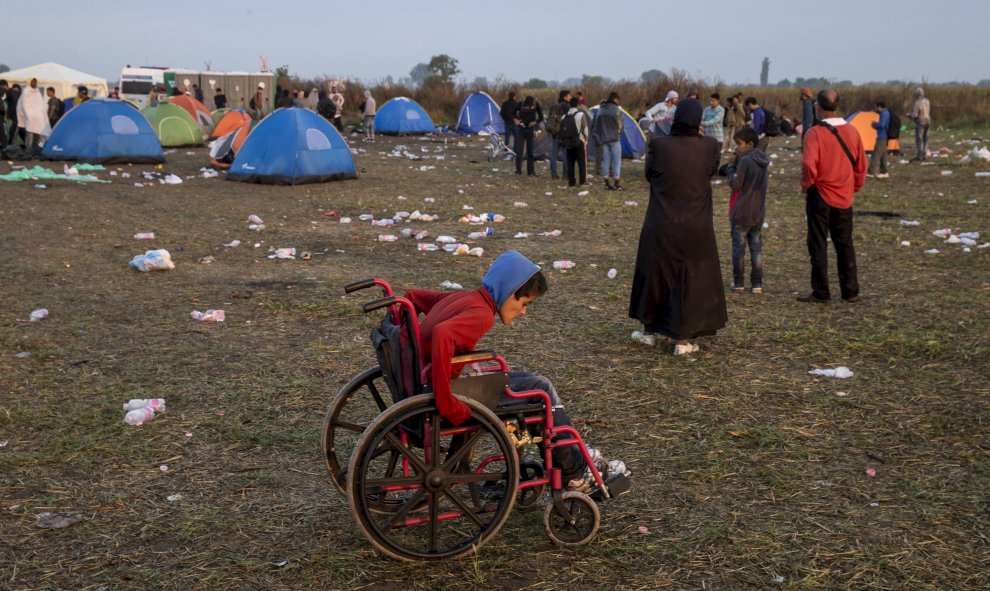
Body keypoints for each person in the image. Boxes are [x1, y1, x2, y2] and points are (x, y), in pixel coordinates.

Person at [404, 250, 624, 492]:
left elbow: (414, 297)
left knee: (534, 382)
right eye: (524, 303)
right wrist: (446, 402)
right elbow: (443, 334)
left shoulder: (466, 298)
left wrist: (400, 332)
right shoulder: (481, 314)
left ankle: (572, 455)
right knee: (540, 390)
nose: (523, 312)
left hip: (430, 381)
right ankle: (573, 471)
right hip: (450, 391)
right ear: (509, 293)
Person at [628, 99, 727, 355]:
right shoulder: (710, 146)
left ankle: (650, 329)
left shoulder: (660, 145)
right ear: (697, 120)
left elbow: (650, 174)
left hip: (662, 221)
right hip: (696, 223)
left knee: (656, 274)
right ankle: (683, 339)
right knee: (691, 278)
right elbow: (710, 173)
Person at [798, 89, 867, 303]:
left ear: (818, 107)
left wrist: (807, 184)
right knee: (844, 243)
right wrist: (853, 187)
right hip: (844, 196)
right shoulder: (853, 132)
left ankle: (821, 292)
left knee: (818, 243)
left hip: (820, 193)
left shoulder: (814, 133)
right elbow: (861, 165)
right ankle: (850, 291)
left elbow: (809, 163)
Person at [725, 127, 770, 294]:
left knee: (739, 250)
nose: (737, 147)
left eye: (739, 144)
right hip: (758, 212)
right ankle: (757, 284)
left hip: (742, 213)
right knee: (756, 249)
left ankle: (739, 283)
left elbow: (736, 184)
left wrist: (730, 167)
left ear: (750, 144)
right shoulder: (763, 161)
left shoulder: (744, 161)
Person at [592, 91, 624, 191]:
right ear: (615, 99)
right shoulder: (617, 110)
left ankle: (606, 182)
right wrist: (618, 133)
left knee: (606, 160)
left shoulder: (601, 110)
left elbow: (596, 125)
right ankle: (616, 183)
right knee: (616, 161)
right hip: (614, 139)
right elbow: (620, 125)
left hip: (604, 139)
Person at [16, 78, 51, 158]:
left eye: (36, 82)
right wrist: (28, 115)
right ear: (30, 82)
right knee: (30, 135)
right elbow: (24, 105)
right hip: (30, 117)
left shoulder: (38, 92)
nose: (35, 83)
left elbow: (40, 105)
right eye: (33, 81)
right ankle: (29, 152)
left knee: (38, 136)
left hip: (38, 118)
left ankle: (35, 152)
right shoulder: (26, 91)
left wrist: (42, 115)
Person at [512, 95, 542, 176]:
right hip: (520, 128)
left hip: (530, 129)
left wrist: (535, 122)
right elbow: (512, 113)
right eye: (528, 107)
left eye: (531, 107)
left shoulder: (537, 105)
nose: (529, 108)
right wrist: (515, 120)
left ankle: (531, 171)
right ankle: (518, 170)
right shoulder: (520, 104)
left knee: (530, 151)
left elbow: (541, 117)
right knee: (519, 150)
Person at [545, 90, 571, 180]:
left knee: (554, 153)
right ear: (565, 97)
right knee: (565, 154)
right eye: (569, 96)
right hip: (563, 133)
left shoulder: (554, 106)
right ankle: (565, 174)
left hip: (555, 132)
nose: (570, 97)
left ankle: (554, 174)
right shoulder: (566, 106)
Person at [562, 97, 589, 187]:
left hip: (568, 142)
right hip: (579, 141)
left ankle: (571, 182)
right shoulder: (581, 114)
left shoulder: (564, 116)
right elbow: (585, 129)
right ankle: (582, 181)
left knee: (570, 162)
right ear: (578, 104)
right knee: (581, 162)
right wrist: (586, 139)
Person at [868, 100, 891, 179]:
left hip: (882, 137)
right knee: (883, 154)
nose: (875, 109)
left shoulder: (884, 113)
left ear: (879, 107)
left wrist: (875, 124)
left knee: (876, 154)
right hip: (883, 136)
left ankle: (870, 172)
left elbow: (882, 124)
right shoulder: (884, 113)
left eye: (876, 107)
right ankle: (884, 172)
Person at [908, 86, 930, 161]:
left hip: (921, 122)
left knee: (919, 139)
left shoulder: (917, 103)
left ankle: (919, 156)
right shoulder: (927, 101)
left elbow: (915, 115)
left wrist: (909, 115)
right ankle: (925, 154)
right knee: (926, 139)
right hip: (928, 121)